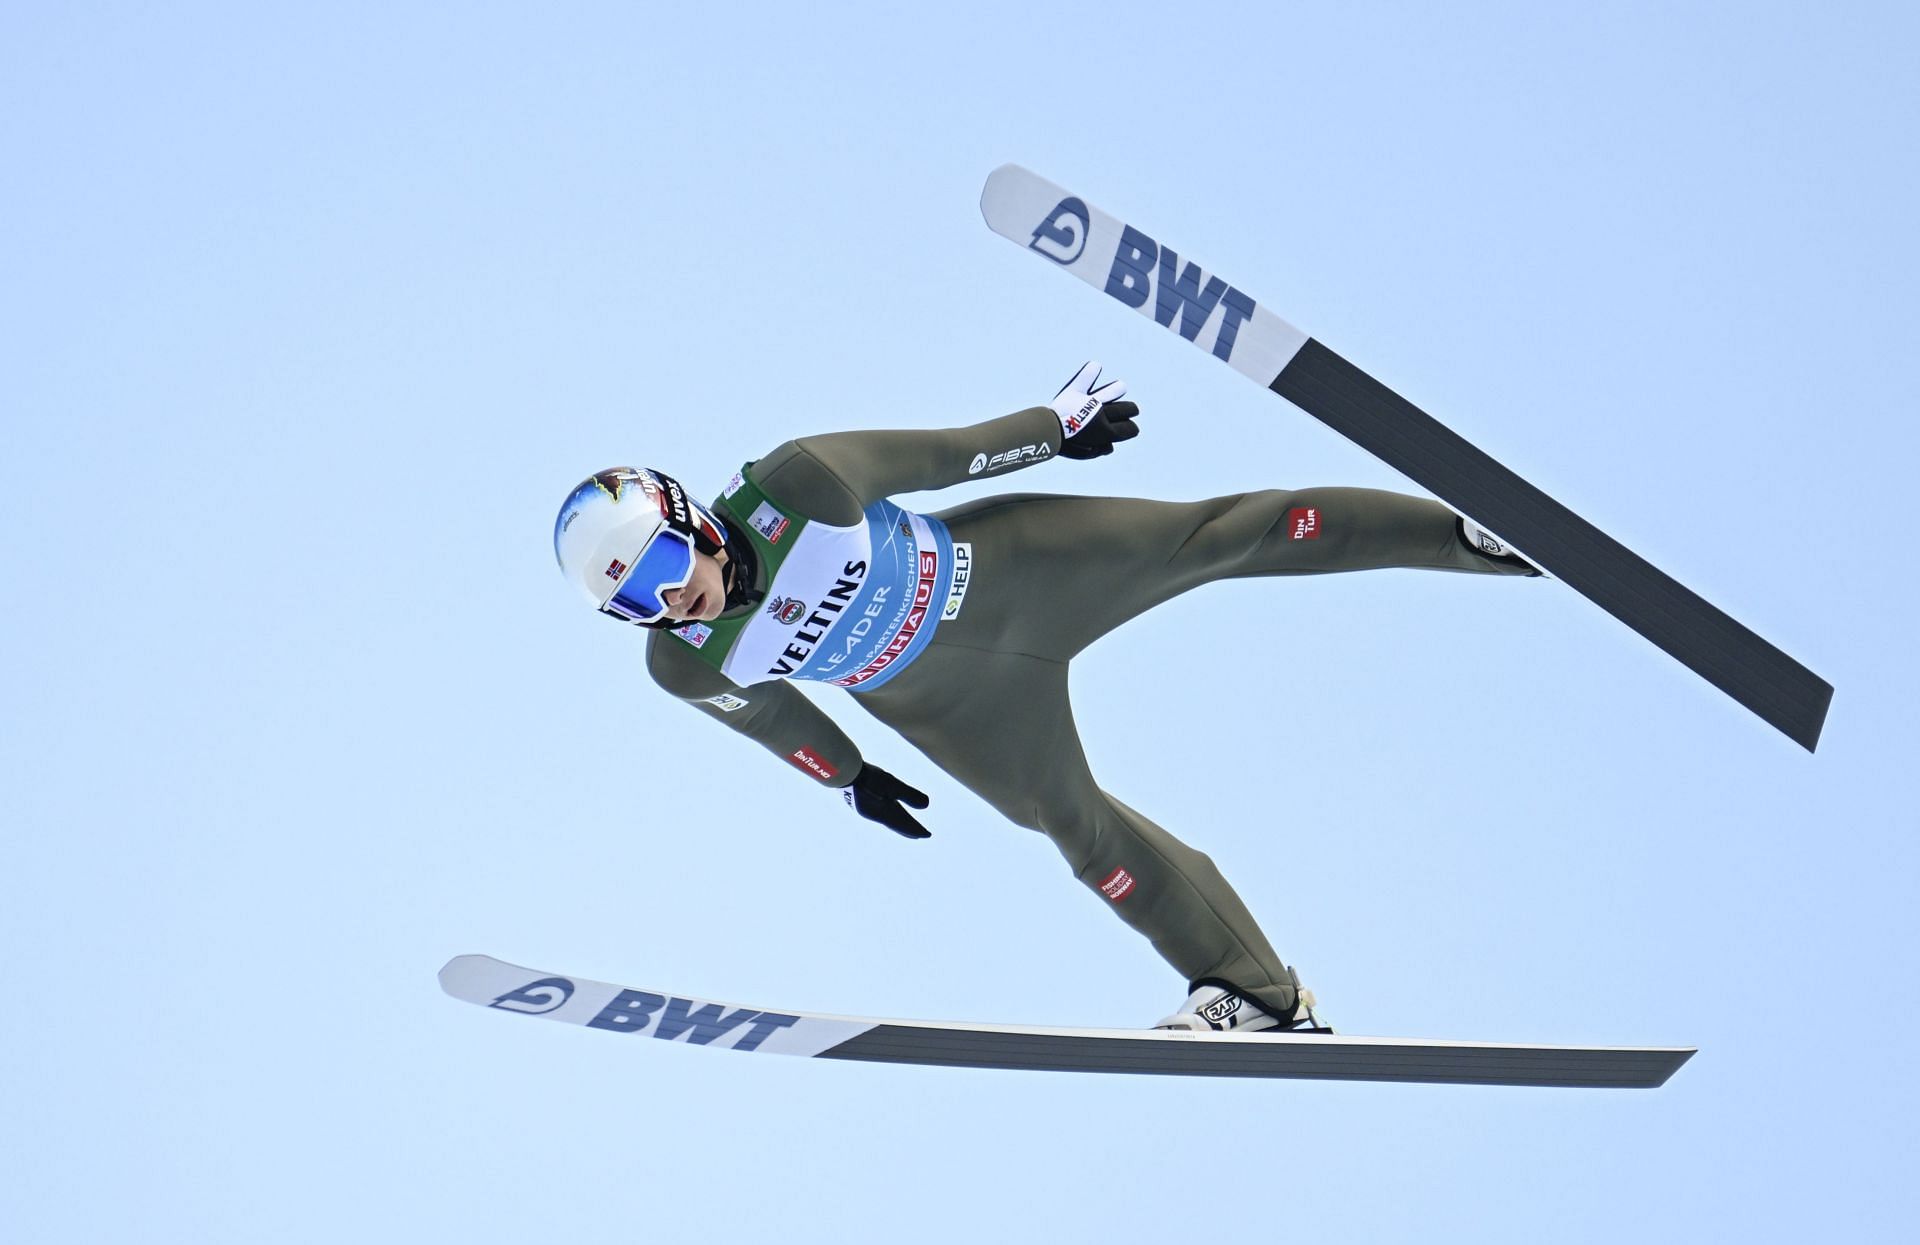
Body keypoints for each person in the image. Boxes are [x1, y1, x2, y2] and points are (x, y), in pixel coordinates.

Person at [552, 363, 1536, 1033]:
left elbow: (948, 452)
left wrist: (1054, 430)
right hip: (950, 702)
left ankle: (1469, 536)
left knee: (1226, 533)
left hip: (1012, 569)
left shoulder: (799, 483)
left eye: (668, 563)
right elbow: (771, 718)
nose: (672, 597)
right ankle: (1256, 990)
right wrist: (849, 777)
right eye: (636, 599)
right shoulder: (685, 660)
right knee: (1077, 829)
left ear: (694, 519)